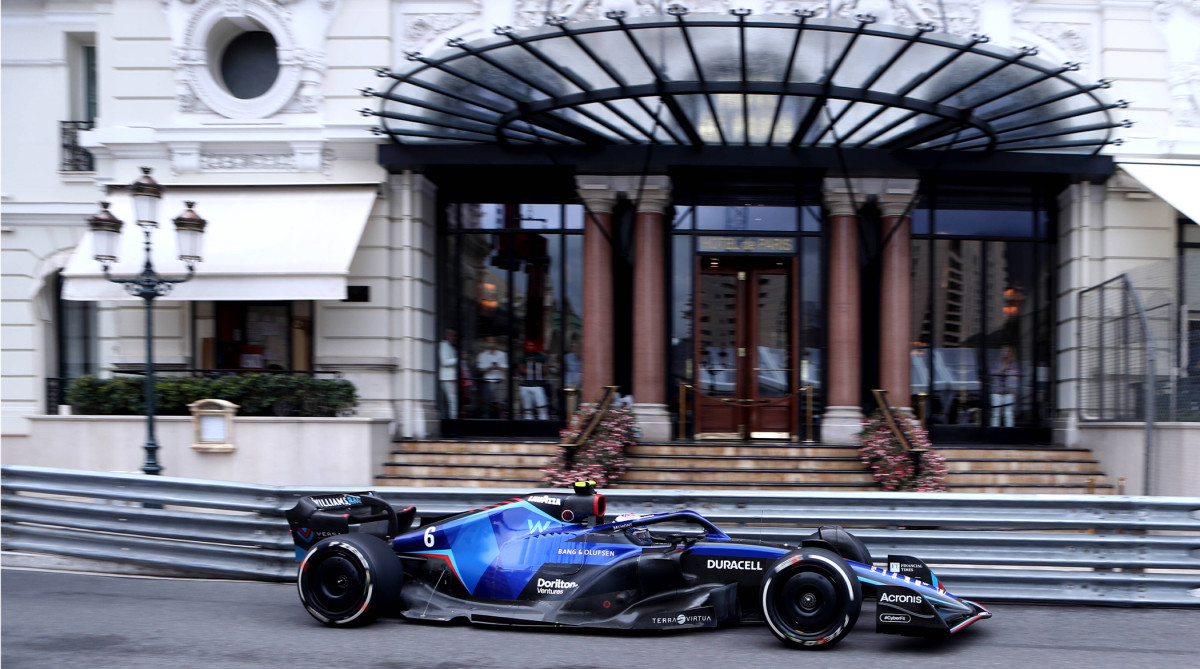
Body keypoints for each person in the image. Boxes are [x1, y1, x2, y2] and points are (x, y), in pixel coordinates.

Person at [475, 336, 508, 418]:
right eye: (489, 341)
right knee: (487, 405)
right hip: (487, 382)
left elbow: (507, 368)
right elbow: (479, 370)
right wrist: (489, 368)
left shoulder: (503, 354)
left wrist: (498, 367)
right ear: (486, 343)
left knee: (500, 405)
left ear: (496, 342)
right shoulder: (482, 355)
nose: (491, 343)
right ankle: (487, 421)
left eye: (493, 341)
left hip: (500, 382)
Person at [519, 340, 549, 420]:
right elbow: (522, 370)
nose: (531, 347)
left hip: (538, 385)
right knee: (527, 410)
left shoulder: (541, 356)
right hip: (526, 385)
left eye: (532, 345)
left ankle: (544, 423)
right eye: (529, 345)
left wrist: (534, 364)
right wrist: (535, 371)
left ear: (535, 346)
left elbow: (544, 371)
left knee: (542, 407)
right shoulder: (523, 356)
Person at [990, 345, 1019, 427]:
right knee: (996, 414)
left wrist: (1014, 392)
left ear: (1011, 353)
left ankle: (1009, 432)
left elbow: (1015, 379)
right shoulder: (997, 364)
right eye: (1005, 351)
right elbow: (992, 376)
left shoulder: (1014, 365)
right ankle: (994, 432)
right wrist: (1000, 372)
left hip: (1009, 392)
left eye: (1008, 351)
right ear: (1001, 353)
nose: (1006, 353)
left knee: (1008, 414)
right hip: (997, 391)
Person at [438, 328, 458, 419]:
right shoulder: (443, 345)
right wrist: (458, 359)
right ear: (447, 335)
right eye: (452, 335)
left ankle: (452, 418)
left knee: (451, 400)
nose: (454, 338)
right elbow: (445, 362)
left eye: (454, 336)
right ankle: (453, 420)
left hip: (450, 377)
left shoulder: (449, 346)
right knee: (452, 400)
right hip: (447, 377)